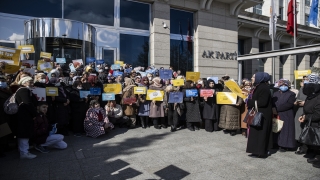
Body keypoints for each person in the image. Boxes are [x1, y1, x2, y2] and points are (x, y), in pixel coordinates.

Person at [245, 72, 273, 158]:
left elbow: (262, 102)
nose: (252, 78)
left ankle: (261, 152)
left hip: (262, 114)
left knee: (261, 134)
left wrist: (248, 101)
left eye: (254, 77)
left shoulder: (263, 88)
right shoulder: (258, 87)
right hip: (257, 112)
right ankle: (255, 150)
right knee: (255, 133)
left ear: (260, 78)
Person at [298, 73, 320, 168]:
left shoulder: (318, 97)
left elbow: (318, 114)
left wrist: (306, 117)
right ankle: (316, 156)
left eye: (308, 80)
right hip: (312, 122)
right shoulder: (311, 95)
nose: (306, 83)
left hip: (318, 124)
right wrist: (304, 115)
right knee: (315, 142)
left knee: (318, 141)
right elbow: (307, 108)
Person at [16, 76, 38, 159]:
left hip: (24, 115)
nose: (32, 83)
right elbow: (27, 103)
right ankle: (24, 152)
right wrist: (34, 114)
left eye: (32, 82)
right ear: (24, 83)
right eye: (30, 82)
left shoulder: (24, 90)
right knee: (24, 134)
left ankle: (23, 150)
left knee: (24, 133)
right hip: (25, 115)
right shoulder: (24, 90)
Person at [272, 79, 297, 152]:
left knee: (286, 130)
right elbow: (272, 102)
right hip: (276, 114)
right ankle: (276, 143)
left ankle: (285, 145)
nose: (283, 86)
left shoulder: (291, 94)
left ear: (288, 86)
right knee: (276, 129)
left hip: (287, 114)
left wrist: (277, 109)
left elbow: (289, 104)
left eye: (285, 85)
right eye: (281, 85)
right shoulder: (275, 93)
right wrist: (273, 108)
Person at [294, 76, 308, 155]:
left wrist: (305, 103)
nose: (304, 81)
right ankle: (300, 144)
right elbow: (298, 98)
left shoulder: (315, 89)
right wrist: (296, 102)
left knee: (306, 129)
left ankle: (306, 147)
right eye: (303, 80)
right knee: (299, 128)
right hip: (300, 110)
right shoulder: (301, 89)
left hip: (308, 111)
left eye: (306, 80)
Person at [0, 75, 12, 157]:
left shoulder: (7, 90)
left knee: (5, 132)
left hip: (6, 114)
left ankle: (5, 146)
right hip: (1, 115)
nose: (2, 82)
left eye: (3, 81)